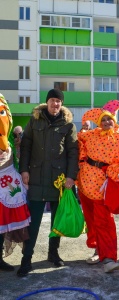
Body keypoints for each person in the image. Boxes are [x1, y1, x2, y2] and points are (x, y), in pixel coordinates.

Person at [17, 88, 79, 277]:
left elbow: (73, 152)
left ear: (62, 104)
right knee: (33, 222)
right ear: (47, 102)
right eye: (52, 100)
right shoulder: (35, 120)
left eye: (58, 101)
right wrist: (24, 170)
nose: (55, 104)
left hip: (58, 181)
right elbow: (25, 146)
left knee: (56, 221)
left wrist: (70, 176)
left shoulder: (68, 124)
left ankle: (53, 253)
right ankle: (26, 259)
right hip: (35, 178)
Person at [76, 100, 119, 273]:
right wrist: (80, 162)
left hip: (103, 186)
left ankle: (109, 257)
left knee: (105, 221)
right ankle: (97, 249)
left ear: (114, 120)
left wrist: (112, 170)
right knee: (91, 220)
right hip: (85, 181)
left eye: (109, 119)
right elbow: (78, 143)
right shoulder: (91, 134)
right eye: (103, 120)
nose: (106, 123)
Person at [0, 93, 30, 272]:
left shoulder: (10, 139)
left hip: (13, 188)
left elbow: (19, 157)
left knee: (22, 223)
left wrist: (19, 145)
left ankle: (27, 259)